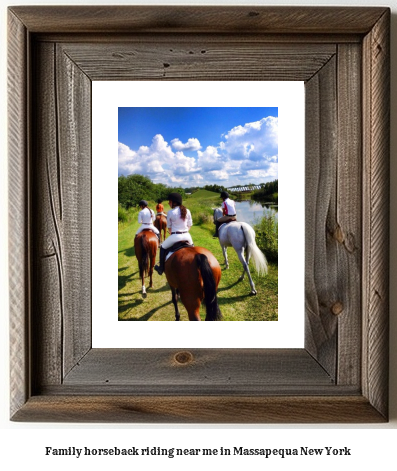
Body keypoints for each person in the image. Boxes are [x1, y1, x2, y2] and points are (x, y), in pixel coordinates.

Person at [154, 192, 193, 275]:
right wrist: (184, 232)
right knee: (193, 251)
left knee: (163, 247)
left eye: (169, 201)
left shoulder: (171, 212)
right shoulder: (187, 210)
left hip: (175, 236)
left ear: (173, 202)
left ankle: (161, 268)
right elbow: (189, 225)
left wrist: (174, 233)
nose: (168, 203)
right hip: (187, 236)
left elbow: (169, 228)